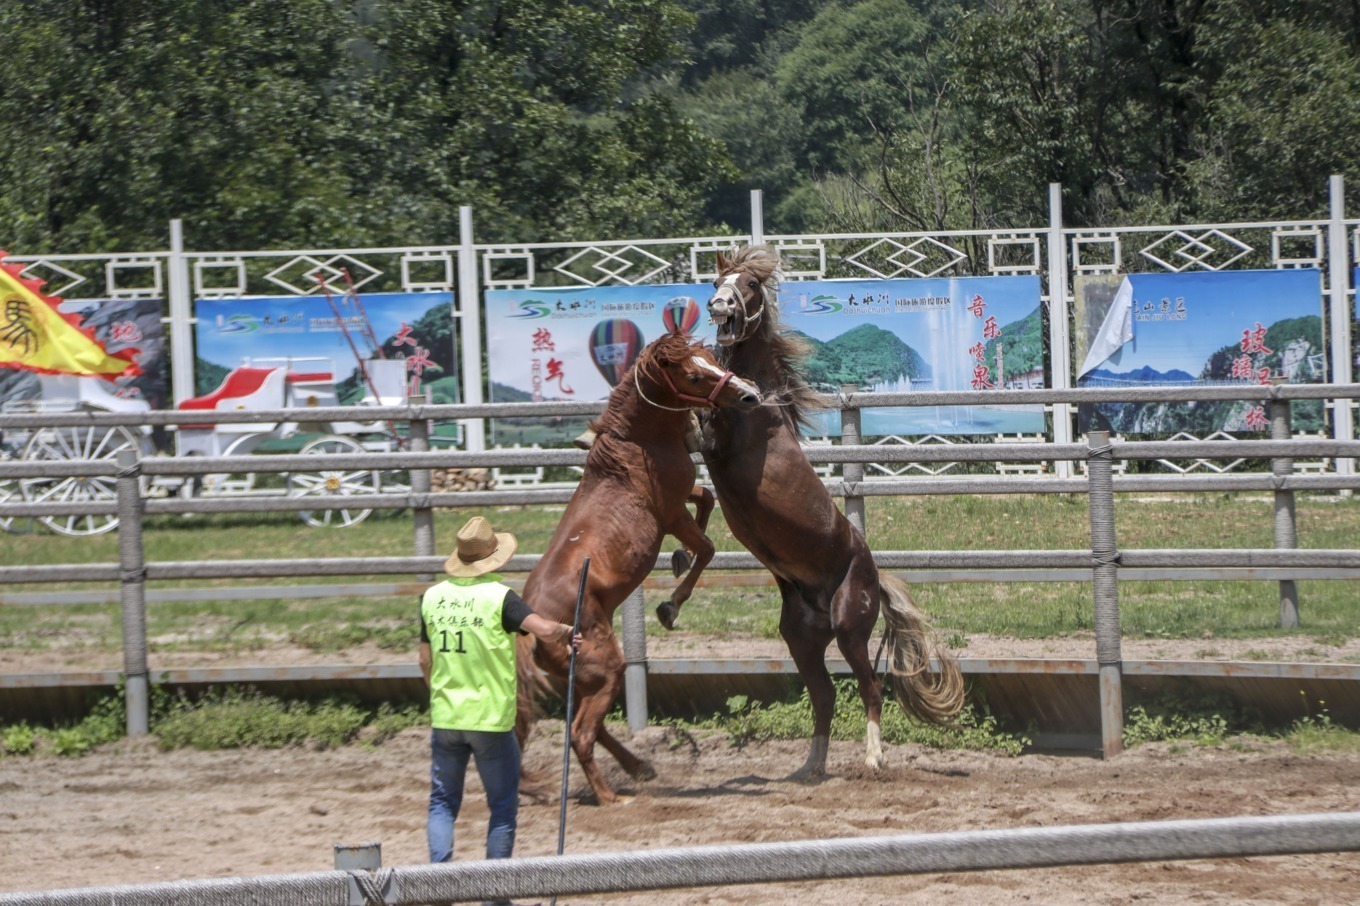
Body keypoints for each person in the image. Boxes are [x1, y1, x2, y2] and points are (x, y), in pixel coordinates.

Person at [419, 515, 580, 871]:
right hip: (490, 719)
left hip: (446, 717)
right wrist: (567, 631)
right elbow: (542, 628)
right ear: (493, 557)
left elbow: (424, 660)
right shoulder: (500, 597)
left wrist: (441, 693)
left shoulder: (432, 597)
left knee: (443, 803)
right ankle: (495, 893)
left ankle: (439, 882)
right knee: (503, 807)